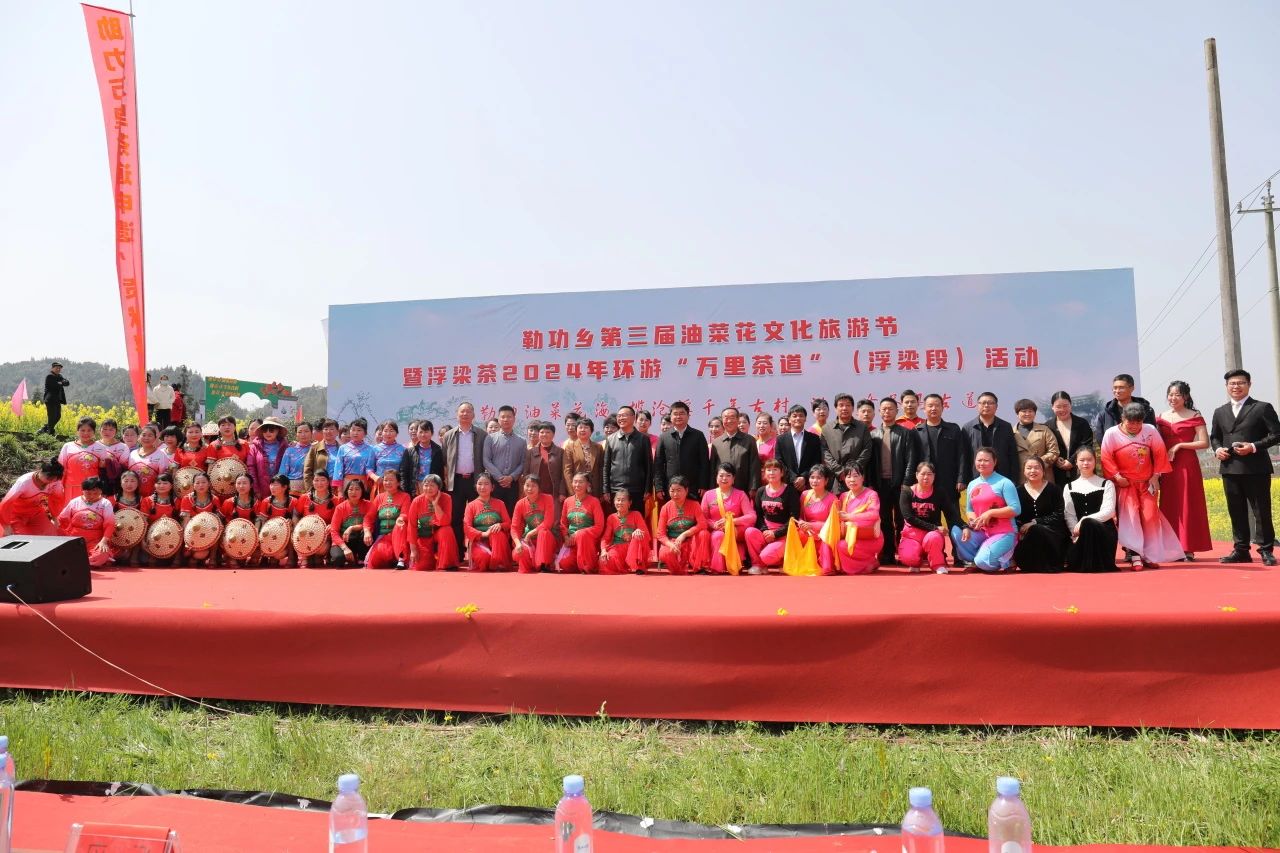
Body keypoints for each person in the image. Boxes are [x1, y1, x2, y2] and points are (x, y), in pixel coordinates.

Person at [1100, 403, 1184, 569]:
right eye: (1130, 422)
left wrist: (1156, 476)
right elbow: (1106, 457)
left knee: (1150, 517)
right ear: (1123, 418)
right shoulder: (1111, 433)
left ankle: (1149, 555)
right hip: (1125, 484)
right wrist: (1117, 477)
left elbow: (1159, 453)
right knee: (1131, 519)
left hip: (1147, 483)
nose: (1134, 426)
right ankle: (1135, 555)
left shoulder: (1150, 430)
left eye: (1138, 423)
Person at [1209, 368, 1280, 565]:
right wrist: (1217, 450)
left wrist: (1253, 447)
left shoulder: (1262, 407)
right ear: (1226, 386)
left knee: (1261, 510)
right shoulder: (1220, 411)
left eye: (1240, 382)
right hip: (1230, 467)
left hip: (1256, 468)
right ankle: (1241, 550)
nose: (1236, 386)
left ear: (1249, 384)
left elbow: (1276, 434)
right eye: (1232, 383)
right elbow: (1214, 437)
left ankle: (1266, 550)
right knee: (1236, 510)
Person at [1155, 381, 1212, 560]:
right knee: (1168, 504)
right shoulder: (1160, 417)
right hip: (1167, 466)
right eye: (1170, 394)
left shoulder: (1195, 415)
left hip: (1187, 465)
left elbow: (1204, 442)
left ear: (1185, 397)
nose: (1173, 398)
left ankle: (1188, 548)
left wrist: (1180, 445)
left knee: (1187, 504)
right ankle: (1171, 547)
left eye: (1177, 395)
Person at [914, 393, 967, 559]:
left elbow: (962, 455)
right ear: (924, 408)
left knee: (954, 519)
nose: (933, 408)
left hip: (949, 483)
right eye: (930, 405)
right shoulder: (917, 431)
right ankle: (934, 555)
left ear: (943, 408)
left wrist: (961, 478)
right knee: (930, 521)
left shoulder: (953, 429)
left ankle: (959, 555)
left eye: (937, 405)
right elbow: (913, 458)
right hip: (926, 485)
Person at [953, 447, 1021, 572]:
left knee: (983, 562)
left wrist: (990, 513)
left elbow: (1016, 509)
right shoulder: (972, 484)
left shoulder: (1005, 483)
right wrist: (973, 520)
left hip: (1004, 532)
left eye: (986, 460)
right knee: (956, 532)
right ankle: (978, 560)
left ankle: (1007, 561)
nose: (982, 463)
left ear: (995, 462)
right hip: (982, 532)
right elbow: (969, 509)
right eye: (979, 460)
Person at [870, 398, 918, 565]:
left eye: (890, 408)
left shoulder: (905, 433)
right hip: (880, 484)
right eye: (883, 409)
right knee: (884, 520)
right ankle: (887, 553)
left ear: (897, 411)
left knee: (901, 520)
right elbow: (870, 463)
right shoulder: (873, 435)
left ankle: (904, 554)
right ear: (879, 412)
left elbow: (911, 460)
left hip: (900, 484)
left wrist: (906, 482)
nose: (887, 412)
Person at [1063, 446, 1118, 572]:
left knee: (1088, 523)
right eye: (1082, 460)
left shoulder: (1107, 484)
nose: (1086, 463)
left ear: (1095, 461)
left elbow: (1109, 511)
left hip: (1103, 531)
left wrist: (1084, 520)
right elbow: (1069, 514)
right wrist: (1074, 533)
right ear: (1076, 462)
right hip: (1079, 534)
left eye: (1089, 460)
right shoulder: (1069, 487)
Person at [445, 402, 487, 556]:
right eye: (462, 411)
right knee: (456, 517)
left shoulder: (481, 435)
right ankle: (458, 551)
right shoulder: (449, 435)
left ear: (473, 415)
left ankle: (477, 551)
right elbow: (445, 460)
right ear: (457, 415)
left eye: (468, 411)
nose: (465, 414)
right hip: (455, 482)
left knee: (477, 517)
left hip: (475, 481)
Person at [1011, 457, 1068, 572]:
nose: (1033, 471)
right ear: (1024, 471)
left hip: (1051, 531)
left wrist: (1035, 523)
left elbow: (1058, 514)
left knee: (1036, 529)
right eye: (1029, 468)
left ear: (1043, 470)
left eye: (1037, 468)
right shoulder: (1018, 491)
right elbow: (1014, 515)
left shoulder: (1054, 489)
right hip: (1026, 534)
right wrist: (1021, 527)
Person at [744, 458, 800, 572]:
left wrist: (775, 534)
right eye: (768, 470)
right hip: (766, 532)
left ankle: (784, 561)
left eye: (775, 469)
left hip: (784, 534)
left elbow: (794, 519)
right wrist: (765, 531)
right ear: (764, 473)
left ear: (782, 473)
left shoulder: (791, 491)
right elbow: (758, 515)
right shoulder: (760, 491)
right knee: (749, 532)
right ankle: (758, 565)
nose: (771, 473)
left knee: (767, 556)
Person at [700, 463, 756, 574]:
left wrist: (731, 522)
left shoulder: (741, 494)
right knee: (718, 536)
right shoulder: (708, 495)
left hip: (735, 531)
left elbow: (751, 516)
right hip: (717, 530)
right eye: (721, 475)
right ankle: (717, 569)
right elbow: (702, 517)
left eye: (728, 475)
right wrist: (714, 525)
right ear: (716, 478)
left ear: (733, 478)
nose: (724, 478)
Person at [653, 401, 709, 502]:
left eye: (682, 413)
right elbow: (658, 464)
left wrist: (703, 484)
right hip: (671, 488)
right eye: (675, 414)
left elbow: (704, 462)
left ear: (688, 416)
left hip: (693, 487)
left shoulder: (698, 435)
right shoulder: (664, 437)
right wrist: (659, 487)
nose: (678, 416)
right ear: (671, 417)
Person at [898, 462, 948, 574]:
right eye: (923, 474)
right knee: (908, 557)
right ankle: (916, 562)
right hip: (912, 534)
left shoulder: (939, 492)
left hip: (931, 534)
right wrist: (935, 527)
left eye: (929, 474)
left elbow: (950, 513)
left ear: (934, 476)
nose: (926, 477)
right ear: (916, 475)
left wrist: (963, 526)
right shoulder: (907, 492)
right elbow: (909, 517)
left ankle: (937, 565)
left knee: (933, 538)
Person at [961, 392, 1019, 483]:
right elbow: (964, 456)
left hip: (1002, 476)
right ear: (977, 406)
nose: (986, 405)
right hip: (976, 477)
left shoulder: (1006, 426)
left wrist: (1014, 479)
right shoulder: (968, 427)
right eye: (983, 403)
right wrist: (962, 479)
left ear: (996, 406)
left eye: (990, 403)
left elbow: (1012, 454)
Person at [655, 476, 708, 574]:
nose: (675, 494)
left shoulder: (695, 504)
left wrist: (684, 534)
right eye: (672, 491)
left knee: (704, 534)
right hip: (674, 542)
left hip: (691, 542)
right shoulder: (665, 508)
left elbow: (703, 524)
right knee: (665, 553)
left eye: (679, 490)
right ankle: (678, 568)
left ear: (686, 490)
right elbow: (660, 534)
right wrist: (670, 545)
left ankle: (699, 566)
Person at [405, 474, 459, 571]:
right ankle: (434, 558)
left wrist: (436, 505)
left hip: (439, 534)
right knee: (422, 566)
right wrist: (413, 550)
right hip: (424, 536)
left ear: (439, 487)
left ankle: (447, 563)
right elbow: (412, 526)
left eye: (432, 485)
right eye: (426, 485)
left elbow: (445, 522)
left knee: (447, 530)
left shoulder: (446, 498)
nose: (428, 488)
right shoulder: (416, 501)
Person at [58, 477, 115, 567]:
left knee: (101, 556)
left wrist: (103, 542)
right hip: (74, 539)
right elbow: (62, 520)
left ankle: (78, 562)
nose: (91, 496)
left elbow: (110, 524)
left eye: (95, 493)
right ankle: (81, 562)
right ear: (82, 490)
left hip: (95, 541)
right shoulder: (74, 502)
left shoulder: (105, 503)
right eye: (88, 493)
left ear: (101, 491)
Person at [822, 394, 873, 494]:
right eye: (841, 405)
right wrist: (840, 471)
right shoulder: (827, 429)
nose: (844, 408)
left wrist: (853, 471)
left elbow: (867, 450)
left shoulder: (862, 427)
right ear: (836, 408)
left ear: (853, 408)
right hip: (835, 480)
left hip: (857, 479)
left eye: (848, 405)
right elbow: (825, 452)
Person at [836, 465, 882, 574]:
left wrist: (849, 516)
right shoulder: (843, 496)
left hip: (869, 536)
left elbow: (874, 514)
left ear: (863, 477)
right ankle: (868, 564)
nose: (852, 480)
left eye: (856, 476)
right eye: (848, 476)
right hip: (850, 535)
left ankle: (869, 561)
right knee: (837, 544)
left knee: (842, 546)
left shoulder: (871, 494)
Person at [603, 406, 651, 509]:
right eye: (619, 416)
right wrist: (606, 489)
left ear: (633, 418)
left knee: (636, 517)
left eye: (624, 415)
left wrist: (648, 489)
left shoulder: (643, 439)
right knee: (617, 518)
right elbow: (606, 466)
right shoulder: (611, 439)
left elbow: (648, 466)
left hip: (637, 490)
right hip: (616, 489)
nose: (621, 418)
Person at [463, 473, 512, 571]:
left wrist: (500, 525)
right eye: (480, 484)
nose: (482, 487)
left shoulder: (500, 503)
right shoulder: (471, 506)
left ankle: (499, 563)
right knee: (484, 558)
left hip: (497, 542)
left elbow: (508, 523)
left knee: (497, 533)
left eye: (486, 484)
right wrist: (484, 534)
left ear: (492, 487)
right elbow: (467, 527)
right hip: (479, 540)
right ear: (475, 486)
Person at [0, 460, 65, 536]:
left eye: (55, 479)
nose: (51, 481)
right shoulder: (24, 482)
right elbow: (6, 503)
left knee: (51, 534)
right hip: (16, 515)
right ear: (40, 470)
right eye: (49, 478)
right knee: (21, 539)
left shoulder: (55, 483)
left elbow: (56, 500)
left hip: (36, 513)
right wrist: (6, 526)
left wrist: (54, 517)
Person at [363, 469, 411, 569]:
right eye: (385, 480)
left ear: (398, 483)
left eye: (391, 480)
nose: (388, 483)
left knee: (400, 525)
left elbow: (405, 514)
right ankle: (393, 559)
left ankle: (401, 559)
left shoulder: (405, 496)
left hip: (399, 535)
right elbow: (369, 517)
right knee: (375, 561)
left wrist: (401, 518)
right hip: (384, 536)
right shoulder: (379, 498)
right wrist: (367, 531)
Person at [558, 472, 605, 573]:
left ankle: (588, 565)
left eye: (581, 482)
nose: (577, 485)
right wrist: (566, 537)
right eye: (575, 482)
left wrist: (578, 533)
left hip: (587, 541)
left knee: (582, 535)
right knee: (564, 563)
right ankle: (581, 563)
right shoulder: (567, 501)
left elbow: (599, 526)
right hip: (572, 542)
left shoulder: (594, 501)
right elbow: (563, 523)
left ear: (588, 484)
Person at [1045, 392, 1095, 487]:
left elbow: (1086, 445)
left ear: (1071, 405)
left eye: (1065, 406)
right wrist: (1055, 459)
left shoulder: (1082, 423)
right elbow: (1047, 448)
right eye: (1058, 407)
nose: (1062, 410)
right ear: (1052, 407)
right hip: (1057, 473)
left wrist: (1071, 461)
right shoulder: (1047, 426)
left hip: (1080, 470)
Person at [796, 464, 838, 575]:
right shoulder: (805, 495)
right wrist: (801, 522)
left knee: (826, 565)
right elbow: (799, 516)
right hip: (807, 533)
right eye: (812, 477)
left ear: (826, 481)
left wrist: (813, 526)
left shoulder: (833, 499)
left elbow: (833, 524)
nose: (815, 481)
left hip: (824, 535)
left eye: (819, 478)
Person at [483, 405, 525, 513]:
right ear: (499, 419)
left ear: (514, 419)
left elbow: (523, 463)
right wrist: (500, 477)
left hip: (513, 484)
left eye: (509, 417)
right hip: (494, 483)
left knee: (511, 513)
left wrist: (511, 477)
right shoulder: (490, 438)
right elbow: (486, 460)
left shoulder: (521, 441)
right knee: (494, 514)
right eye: (503, 417)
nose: (506, 419)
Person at [510, 475, 556, 573]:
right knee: (519, 553)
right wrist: (518, 543)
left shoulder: (548, 499)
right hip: (529, 541)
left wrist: (530, 533)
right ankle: (533, 563)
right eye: (527, 485)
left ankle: (544, 564)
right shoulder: (520, 504)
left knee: (544, 532)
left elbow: (548, 523)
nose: (530, 489)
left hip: (546, 540)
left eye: (533, 486)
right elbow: (514, 527)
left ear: (539, 487)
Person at [710, 406, 760, 496]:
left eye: (732, 417)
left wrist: (753, 487)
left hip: (743, 489)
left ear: (737, 420)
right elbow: (712, 468)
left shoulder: (749, 440)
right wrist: (712, 489)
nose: (729, 421)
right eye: (726, 418)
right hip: (721, 491)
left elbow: (754, 465)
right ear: (722, 420)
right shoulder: (716, 442)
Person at [58, 417, 110, 502]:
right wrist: (59, 486)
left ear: (94, 432)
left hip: (92, 489)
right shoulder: (68, 446)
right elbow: (61, 468)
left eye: (89, 430)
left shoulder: (101, 448)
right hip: (71, 488)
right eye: (82, 430)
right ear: (77, 431)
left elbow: (104, 471)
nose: (86, 433)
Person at [599, 489, 650, 575]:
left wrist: (638, 531)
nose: (620, 503)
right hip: (619, 549)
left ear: (629, 503)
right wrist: (603, 550)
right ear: (614, 502)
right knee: (604, 561)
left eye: (623, 500)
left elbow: (647, 535)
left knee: (638, 535)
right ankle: (627, 566)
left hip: (634, 549)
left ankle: (638, 567)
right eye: (618, 500)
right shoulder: (611, 518)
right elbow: (605, 537)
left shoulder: (636, 514)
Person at [776, 404, 825, 492]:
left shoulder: (814, 438)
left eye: (801, 416)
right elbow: (779, 461)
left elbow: (816, 461)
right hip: (787, 484)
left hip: (808, 484)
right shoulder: (781, 439)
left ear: (805, 419)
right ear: (789, 419)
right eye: (794, 416)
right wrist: (793, 478)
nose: (798, 418)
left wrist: (804, 477)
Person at [524, 422, 567, 521]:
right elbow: (526, 473)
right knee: (536, 519)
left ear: (553, 434)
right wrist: (527, 490)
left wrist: (562, 492)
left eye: (548, 432)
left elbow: (563, 474)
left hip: (554, 492)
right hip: (536, 492)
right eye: (542, 432)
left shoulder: (560, 452)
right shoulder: (531, 452)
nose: (544, 434)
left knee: (554, 520)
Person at [296, 469, 338, 568]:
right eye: (316, 480)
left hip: (325, 535)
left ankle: (320, 555)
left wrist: (332, 525)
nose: (319, 483)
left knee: (321, 550)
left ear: (328, 482)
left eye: (323, 480)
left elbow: (339, 519)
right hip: (305, 534)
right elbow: (296, 514)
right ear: (312, 482)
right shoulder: (304, 497)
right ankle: (305, 557)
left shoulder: (336, 500)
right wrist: (297, 527)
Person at [254, 473, 298, 568]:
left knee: (291, 530)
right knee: (263, 533)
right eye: (271, 485)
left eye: (276, 485)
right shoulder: (266, 502)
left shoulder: (293, 501)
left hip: (286, 534)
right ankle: (265, 555)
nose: (272, 488)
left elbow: (297, 521)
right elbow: (263, 523)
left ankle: (292, 557)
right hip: (271, 534)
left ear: (285, 487)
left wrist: (291, 522)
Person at [1092, 373, 1156, 438]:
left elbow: (1152, 435)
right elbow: (1101, 439)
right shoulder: (1104, 415)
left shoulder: (1146, 410)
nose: (1117, 391)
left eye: (1121, 388)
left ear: (1132, 388)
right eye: (1115, 388)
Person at [178, 470, 220, 567]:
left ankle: (213, 558)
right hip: (192, 531)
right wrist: (187, 540)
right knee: (195, 554)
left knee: (219, 529)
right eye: (197, 483)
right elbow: (186, 522)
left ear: (209, 484)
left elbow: (217, 520)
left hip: (209, 532)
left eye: (203, 482)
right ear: (193, 485)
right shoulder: (187, 499)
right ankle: (189, 556)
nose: (201, 485)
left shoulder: (215, 499)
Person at [328, 479, 371, 568]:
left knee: (365, 532)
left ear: (362, 491)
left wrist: (352, 527)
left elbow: (370, 524)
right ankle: (347, 556)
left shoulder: (369, 505)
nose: (353, 492)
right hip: (344, 541)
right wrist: (345, 548)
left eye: (357, 489)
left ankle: (361, 558)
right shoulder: (340, 507)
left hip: (360, 540)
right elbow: (334, 531)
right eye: (350, 489)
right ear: (346, 491)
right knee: (338, 559)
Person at [140, 472, 181, 566]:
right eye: (158, 483)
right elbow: (143, 522)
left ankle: (177, 557)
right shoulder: (147, 501)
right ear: (154, 485)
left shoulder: (178, 501)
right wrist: (142, 541)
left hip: (172, 537)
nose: (161, 486)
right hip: (152, 537)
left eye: (165, 483)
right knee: (145, 560)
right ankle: (152, 555)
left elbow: (181, 522)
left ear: (171, 486)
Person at [399, 419, 444, 499]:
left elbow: (441, 472)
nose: (423, 435)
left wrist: (440, 489)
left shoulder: (438, 450)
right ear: (417, 433)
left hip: (433, 487)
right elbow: (403, 473)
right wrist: (405, 491)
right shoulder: (409, 451)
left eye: (426, 432)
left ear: (432, 433)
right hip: (416, 488)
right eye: (420, 432)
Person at [247, 417, 289, 499]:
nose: (268, 432)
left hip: (281, 487)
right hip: (261, 488)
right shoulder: (254, 447)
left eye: (271, 430)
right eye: (265, 429)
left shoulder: (285, 446)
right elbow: (251, 468)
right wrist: (256, 489)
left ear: (278, 430)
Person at [562, 417, 604, 497]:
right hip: (577, 489)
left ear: (591, 431)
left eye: (586, 427)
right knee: (578, 506)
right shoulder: (570, 447)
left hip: (595, 490)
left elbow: (601, 469)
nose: (583, 430)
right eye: (580, 427)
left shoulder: (598, 447)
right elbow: (567, 471)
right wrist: (573, 492)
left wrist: (602, 491)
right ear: (576, 430)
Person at [129, 424, 173, 498]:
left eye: (150, 435)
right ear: (139, 437)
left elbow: (164, 477)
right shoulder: (133, 454)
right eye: (144, 435)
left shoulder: (161, 455)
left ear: (155, 438)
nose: (146, 438)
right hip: (133, 495)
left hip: (152, 496)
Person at [334, 418, 376, 487]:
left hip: (363, 483)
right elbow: (338, 468)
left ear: (365, 433)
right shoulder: (343, 448)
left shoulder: (370, 449)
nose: (355, 433)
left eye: (359, 430)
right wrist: (339, 488)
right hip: (347, 483)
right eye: (353, 430)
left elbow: (371, 468)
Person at [303, 418, 341, 492]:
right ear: (322, 431)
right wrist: (310, 489)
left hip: (337, 488)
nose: (328, 431)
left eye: (331, 429)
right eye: (326, 429)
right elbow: (307, 470)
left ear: (337, 432)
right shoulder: (314, 448)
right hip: (318, 487)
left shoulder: (342, 449)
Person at [278, 422, 312, 496]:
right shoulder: (290, 450)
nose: (303, 434)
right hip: (293, 488)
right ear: (296, 434)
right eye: (300, 432)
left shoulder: (315, 449)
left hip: (312, 487)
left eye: (306, 431)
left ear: (311, 433)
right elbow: (283, 472)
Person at [40, 362, 69, 435]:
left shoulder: (60, 376)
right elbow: (54, 385)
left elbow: (67, 382)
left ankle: (45, 428)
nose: (58, 369)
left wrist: (60, 383)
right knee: (52, 417)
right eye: (57, 368)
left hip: (57, 400)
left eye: (59, 368)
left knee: (58, 416)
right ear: (52, 368)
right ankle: (50, 432)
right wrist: (61, 383)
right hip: (50, 400)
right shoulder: (49, 376)